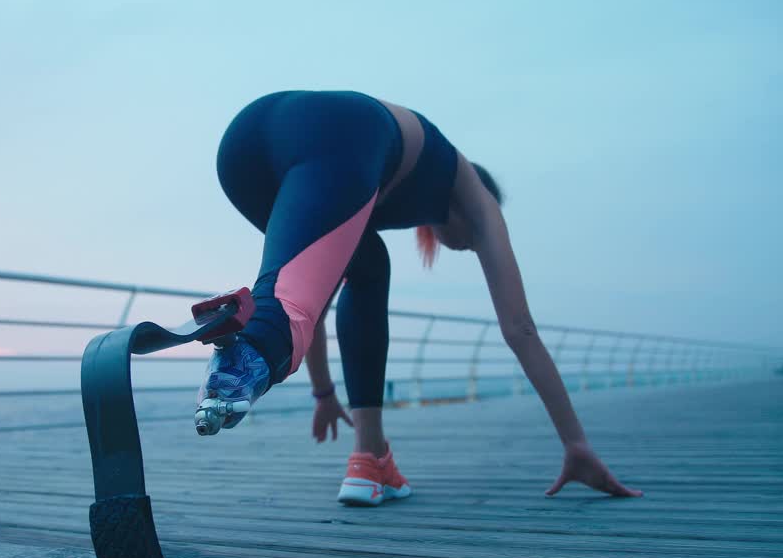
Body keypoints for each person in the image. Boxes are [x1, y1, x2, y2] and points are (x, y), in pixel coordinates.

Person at [196, 90, 641, 505]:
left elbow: (319, 300)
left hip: (245, 147)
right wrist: (575, 442)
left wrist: (324, 394)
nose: (470, 246)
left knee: (358, 268)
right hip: (341, 131)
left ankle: (370, 459)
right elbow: (520, 329)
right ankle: (248, 355)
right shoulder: (476, 197)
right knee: (293, 299)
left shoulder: (374, 193)